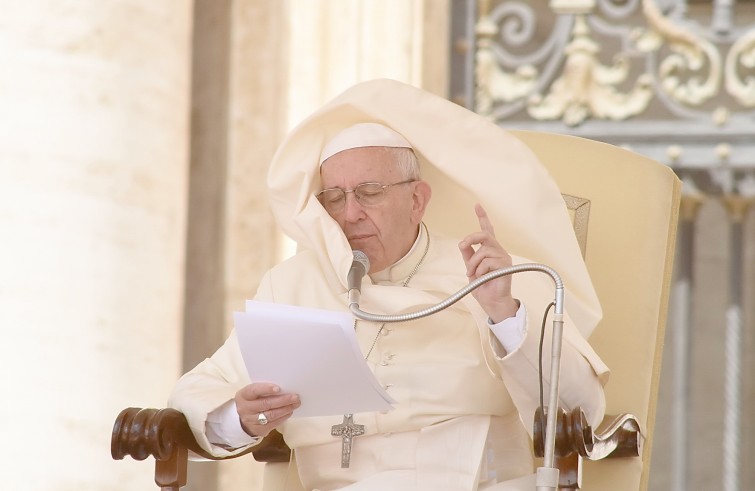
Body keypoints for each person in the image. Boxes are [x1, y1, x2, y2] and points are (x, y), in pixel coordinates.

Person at [169, 79, 609, 491]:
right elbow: (199, 389)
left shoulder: (493, 274)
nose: (350, 213)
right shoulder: (291, 284)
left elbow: (577, 410)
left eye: (370, 191)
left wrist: (504, 315)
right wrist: (241, 418)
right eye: (335, 198)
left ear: (417, 200)